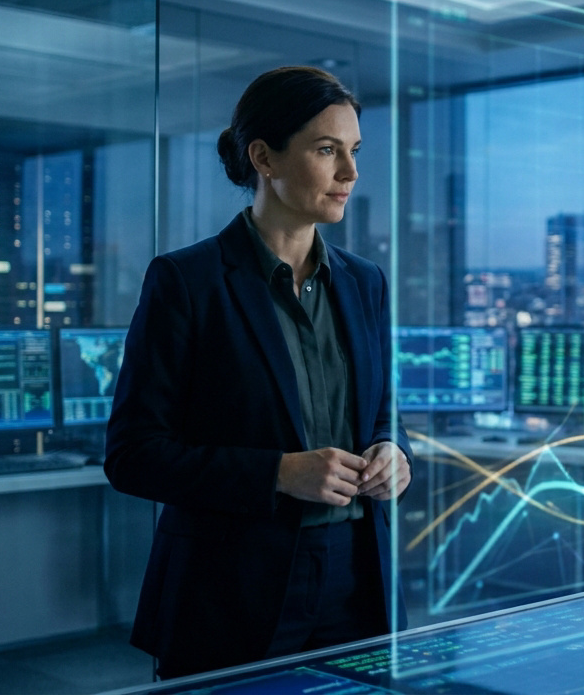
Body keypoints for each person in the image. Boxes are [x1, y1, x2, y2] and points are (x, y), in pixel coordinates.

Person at [104, 65, 412, 679]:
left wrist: (394, 455)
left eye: (353, 151)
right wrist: (277, 473)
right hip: (230, 592)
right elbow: (133, 454)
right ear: (264, 158)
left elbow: (381, 417)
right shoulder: (186, 282)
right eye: (327, 151)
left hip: (356, 585)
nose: (350, 174)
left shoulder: (365, 283)